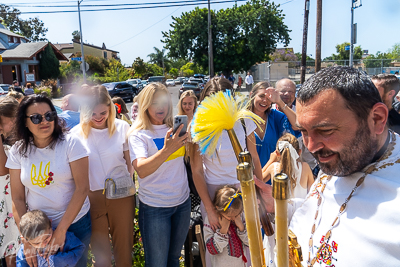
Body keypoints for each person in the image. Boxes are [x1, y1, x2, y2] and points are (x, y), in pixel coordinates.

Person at [260, 66, 400, 266]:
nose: (311, 146)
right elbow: (326, 210)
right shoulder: (342, 156)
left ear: (376, 119)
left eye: (325, 130)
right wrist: (281, 206)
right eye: (304, 131)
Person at [6, 95, 91, 267]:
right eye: (36, 118)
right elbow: (18, 198)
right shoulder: (18, 151)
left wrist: (61, 230)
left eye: (49, 115)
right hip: (37, 230)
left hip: (75, 224)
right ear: (25, 122)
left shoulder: (71, 143)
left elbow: (82, 189)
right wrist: (27, 237)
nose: (44, 121)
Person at [191, 77, 262, 266]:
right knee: (217, 247)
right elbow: (197, 171)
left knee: (247, 241)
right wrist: (209, 209)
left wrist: (260, 192)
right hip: (214, 195)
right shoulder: (199, 126)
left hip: (244, 189)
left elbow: (254, 158)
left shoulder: (244, 119)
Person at [128, 83, 190, 267]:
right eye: (154, 103)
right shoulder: (138, 135)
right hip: (155, 209)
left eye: (163, 101)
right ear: (145, 105)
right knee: (157, 263)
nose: (160, 107)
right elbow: (142, 170)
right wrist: (167, 149)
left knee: (173, 260)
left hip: (182, 204)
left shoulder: (176, 128)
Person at [71, 86, 134, 267]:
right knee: (101, 256)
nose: (98, 117)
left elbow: (130, 164)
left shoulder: (122, 127)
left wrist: (126, 184)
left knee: (124, 250)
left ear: (110, 108)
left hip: (121, 195)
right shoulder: (75, 134)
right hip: (92, 198)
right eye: (92, 113)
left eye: (103, 112)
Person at [248, 81, 298, 184]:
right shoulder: (242, 119)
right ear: (251, 95)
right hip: (248, 178)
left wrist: (280, 101)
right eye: (261, 96)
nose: (265, 101)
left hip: (273, 178)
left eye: (269, 98)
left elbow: (297, 125)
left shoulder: (275, 117)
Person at [16, 210, 85, 267]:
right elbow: (21, 263)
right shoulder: (25, 249)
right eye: (36, 243)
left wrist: (57, 260)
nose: (43, 244)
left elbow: (79, 248)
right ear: (26, 239)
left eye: (46, 238)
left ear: (50, 224)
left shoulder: (66, 238)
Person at [203, 185, 248, 267]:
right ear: (218, 209)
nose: (233, 218)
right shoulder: (211, 222)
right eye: (230, 216)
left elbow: (250, 242)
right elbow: (212, 250)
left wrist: (241, 227)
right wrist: (223, 230)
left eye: (236, 215)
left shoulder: (241, 216)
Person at [0, 97, 21, 267]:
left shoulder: (12, 145)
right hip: (5, 206)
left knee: (12, 246)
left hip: (12, 205)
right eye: (13, 119)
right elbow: (3, 172)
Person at [262, 133, 314, 198]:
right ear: (299, 152)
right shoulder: (305, 167)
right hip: (300, 208)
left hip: (278, 208)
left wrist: (271, 161)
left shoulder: (273, 167)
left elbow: (257, 179)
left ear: (277, 153)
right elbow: (313, 194)